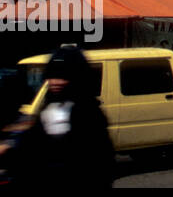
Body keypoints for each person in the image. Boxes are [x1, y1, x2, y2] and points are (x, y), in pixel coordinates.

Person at [0, 46, 115, 189]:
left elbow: (98, 162)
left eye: (63, 76)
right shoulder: (49, 108)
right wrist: (10, 150)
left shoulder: (88, 113)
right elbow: (32, 145)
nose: (55, 82)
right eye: (52, 75)